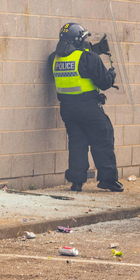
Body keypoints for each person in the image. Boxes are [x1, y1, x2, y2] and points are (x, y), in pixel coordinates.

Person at [50, 23, 122, 193]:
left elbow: (78, 58)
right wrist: (111, 75)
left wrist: (96, 49)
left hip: (67, 109)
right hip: (89, 107)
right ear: (77, 40)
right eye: (83, 39)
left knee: (77, 144)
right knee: (102, 141)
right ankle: (108, 180)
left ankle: (76, 182)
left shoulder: (54, 58)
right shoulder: (89, 58)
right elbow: (104, 82)